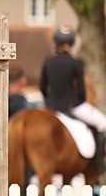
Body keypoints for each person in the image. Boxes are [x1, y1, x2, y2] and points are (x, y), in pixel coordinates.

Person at [39, 26, 106, 174]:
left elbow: (42, 86)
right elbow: (81, 91)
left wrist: (48, 101)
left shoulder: (48, 61)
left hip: (51, 106)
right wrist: (81, 102)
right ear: (73, 43)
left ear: (55, 41)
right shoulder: (76, 63)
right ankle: (99, 164)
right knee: (103, 123)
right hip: (72, 105)